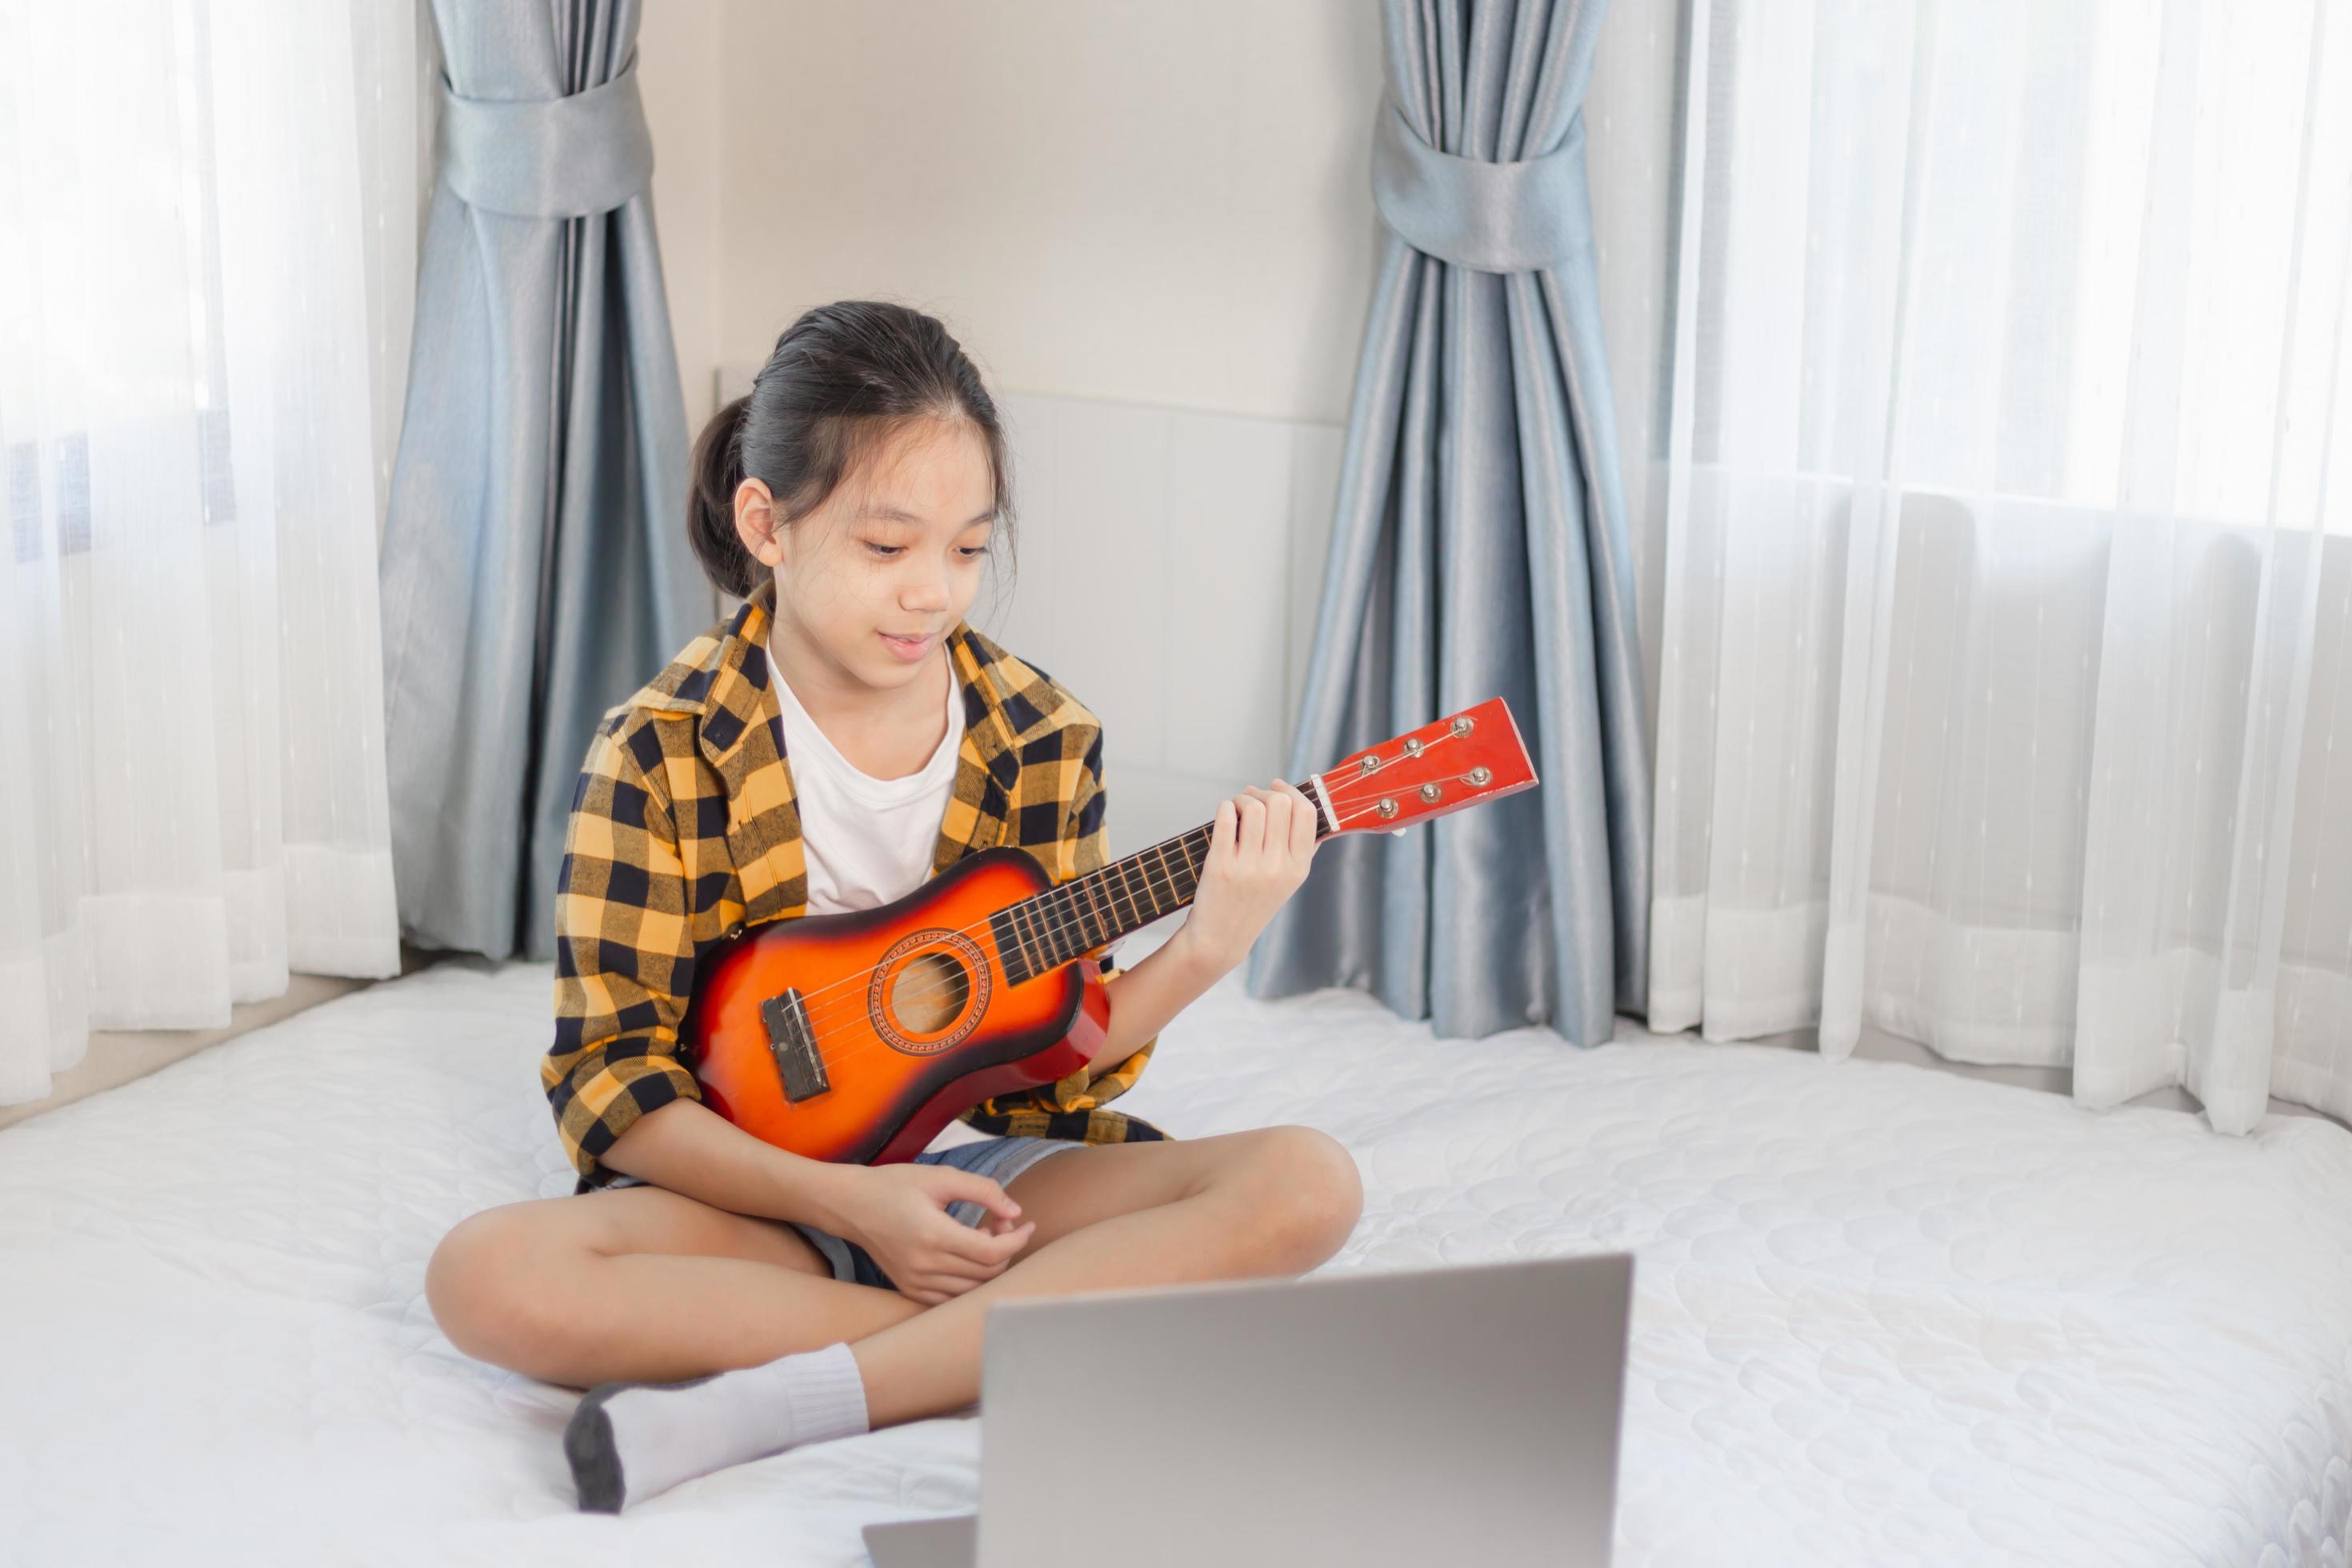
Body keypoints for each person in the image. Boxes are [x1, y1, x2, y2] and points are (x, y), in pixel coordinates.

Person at [422, 299, 1362, 1513]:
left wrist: (1208, 946)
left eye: (968, 551)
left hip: (979, 1175)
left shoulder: (1043, 739)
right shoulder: (657, 752)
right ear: (765, 522)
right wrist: (853, 1201)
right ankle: (1025, 1336)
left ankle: (800, 1392)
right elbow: (614, 1085)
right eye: (887, 547)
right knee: (483, 1276)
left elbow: (1053, 1076)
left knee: (1308, 1183)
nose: (934, 594)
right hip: (755, 1189)